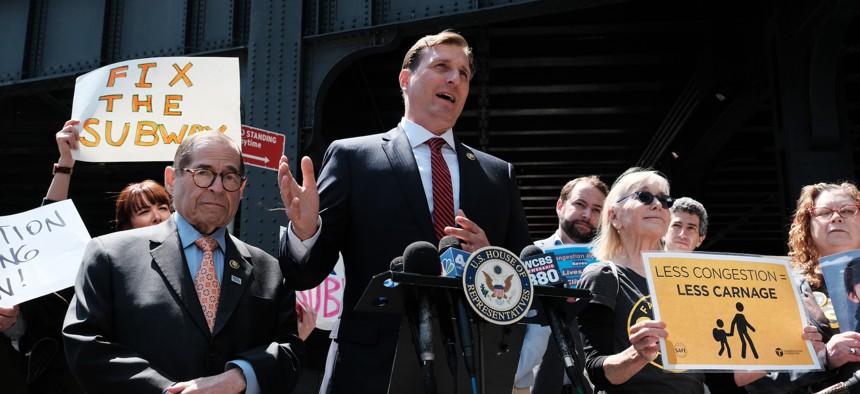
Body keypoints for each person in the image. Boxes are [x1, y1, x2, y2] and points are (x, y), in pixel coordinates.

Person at [277, 30, 531, 393]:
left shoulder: (496, 174)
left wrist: (492, 260)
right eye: (442, 66)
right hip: (370, 369)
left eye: (463, 73)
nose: (454, 78)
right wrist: (305, 232)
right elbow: (306, 274)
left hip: (470, 368)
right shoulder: (354, 157)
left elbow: (526, 281)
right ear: (405, 79)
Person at [63, 132, 305, 393]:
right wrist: (167, 391)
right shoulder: (110, 255)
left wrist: (241, 376)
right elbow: (85, 345)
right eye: (203, 173)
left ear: (242, 189)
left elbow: (290, 348)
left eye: (230, 177)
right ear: (171, 179)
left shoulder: (268, 269)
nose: (217, 187)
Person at [575, 167, 817, 393]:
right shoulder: (604, 276)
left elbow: (713, 377)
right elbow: (596, 370)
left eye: (665, 200)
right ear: (614, 216)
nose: (658, 205)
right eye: (644, 197)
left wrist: (789, 350)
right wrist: (638, 355)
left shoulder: (688, 277)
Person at [0, 120, 175, 393]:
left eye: (163, 206)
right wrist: (65, 164)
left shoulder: (193, 262)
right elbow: (49, 226)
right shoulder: (101, 263)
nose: (157, 216)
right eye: (143, 211)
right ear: (125, 227)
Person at [747, 182, 860, 393]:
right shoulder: (783, 288)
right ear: (808, 224)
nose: (837, 217)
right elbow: (757, 383)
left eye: (847, 210)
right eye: (824, 212)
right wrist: (824, 359)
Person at [514, 176, 608, 394]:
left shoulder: (609, 264)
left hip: (593, 385)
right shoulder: (529, 257)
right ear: (560, 206)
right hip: (534, 383)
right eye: (580, 204)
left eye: (596, 210)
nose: (587, 215)